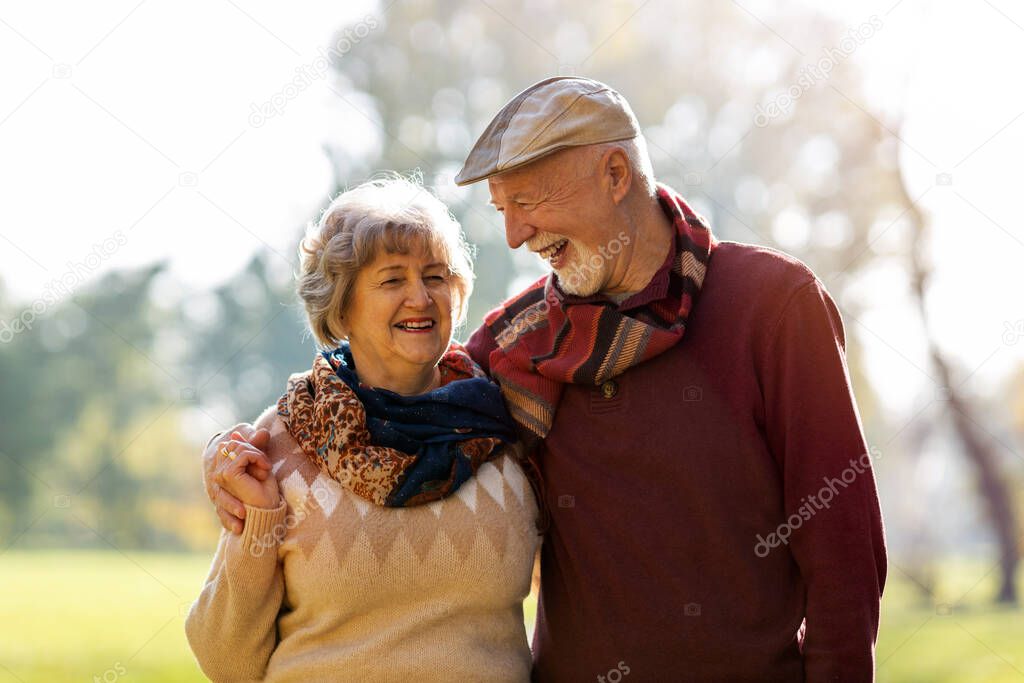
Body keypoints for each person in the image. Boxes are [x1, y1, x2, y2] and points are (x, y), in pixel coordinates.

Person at [205, 77, 887, 681]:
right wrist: (230, 454)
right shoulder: (514, 346)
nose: (513, 234)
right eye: (501, 208)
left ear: (616, 174)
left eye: (527, 200)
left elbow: (845, 554)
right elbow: (386, 395)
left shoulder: (772, 306)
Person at [186, 175, 540, 682]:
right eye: (392, 279)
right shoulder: (287, 438)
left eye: (435, 276)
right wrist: (257, 524)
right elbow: (226, 662)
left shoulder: (507, 426)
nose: (420, 297)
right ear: (341, 304)